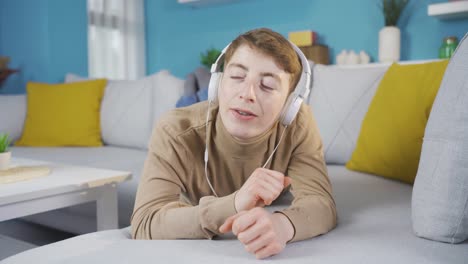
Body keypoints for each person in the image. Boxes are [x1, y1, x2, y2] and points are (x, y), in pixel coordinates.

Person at [131, 28, 337, 259]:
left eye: (267, 85)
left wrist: (282, 224)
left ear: (289, 104)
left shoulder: (297, 124)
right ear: (217, 82)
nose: (247, 94)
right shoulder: (175, 129)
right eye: (237, 77)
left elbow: (320, 204)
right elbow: (145, 222)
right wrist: (236, 202)